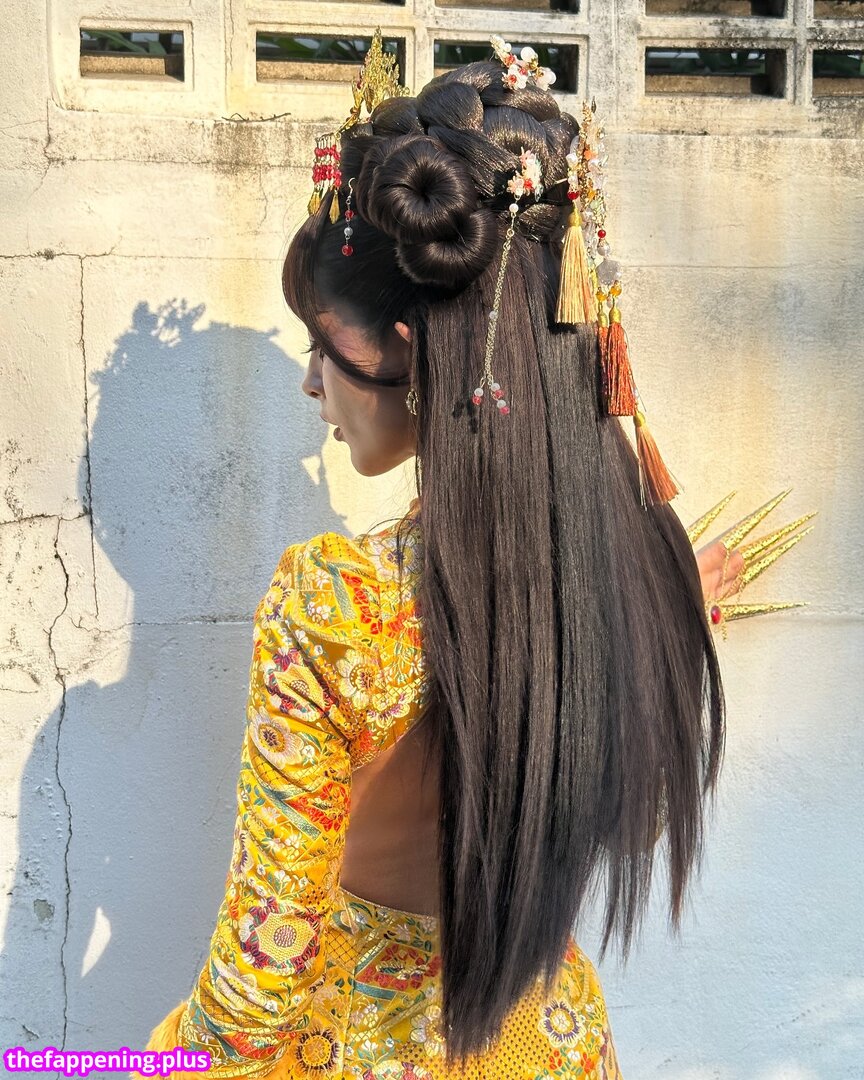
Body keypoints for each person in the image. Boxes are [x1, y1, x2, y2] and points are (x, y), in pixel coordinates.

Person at [133, 45, 772, 1080]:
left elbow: (262, 971)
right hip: (549, 1044)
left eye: (324, 347)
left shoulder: (335, 603)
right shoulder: (638, 568)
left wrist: (136, 1067)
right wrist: (663, 614)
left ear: (410, 352)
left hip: (363, 1049)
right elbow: (618, 819)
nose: (312, 385)